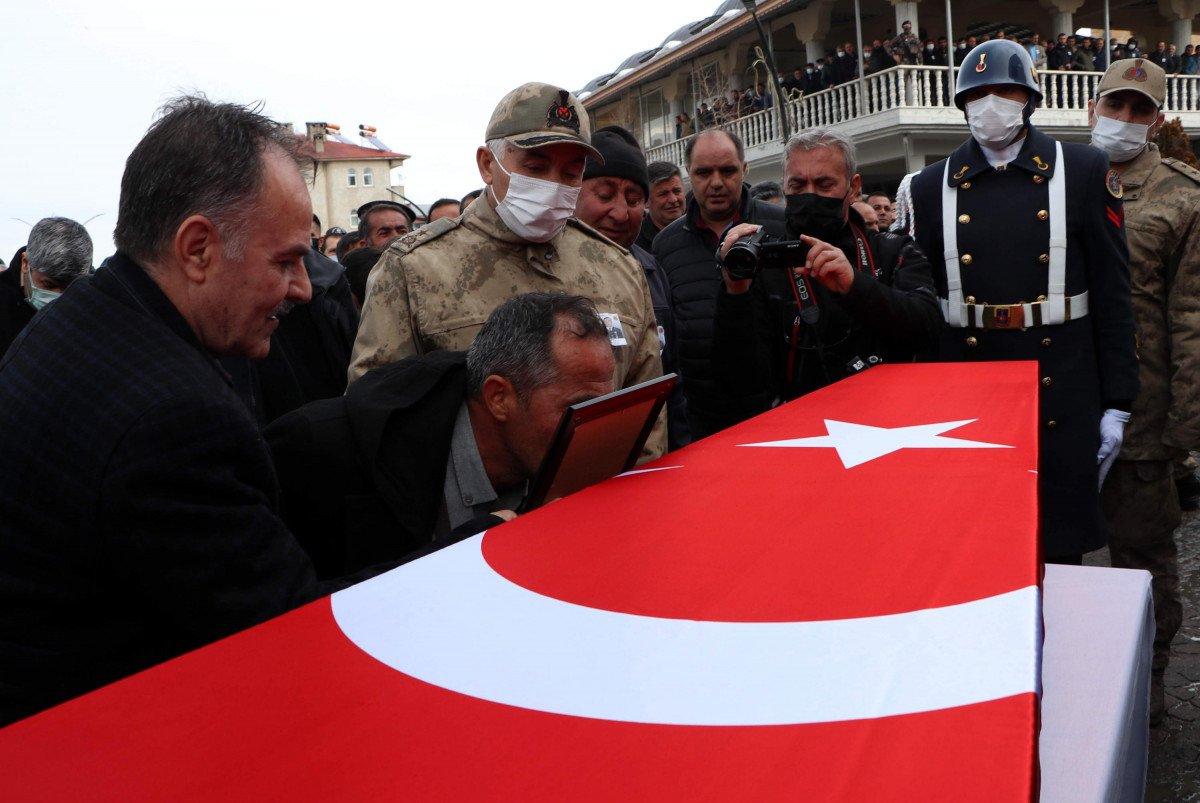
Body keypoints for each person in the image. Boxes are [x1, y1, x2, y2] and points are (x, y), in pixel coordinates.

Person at [0, 96, 400, 727]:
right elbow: (292, 635)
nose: (302, 287)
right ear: (196, 249)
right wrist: (474, 544)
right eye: (287, 260)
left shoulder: (92, 321)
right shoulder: (172, 420)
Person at [908, 40, 1139, 564]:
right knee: (979, 545)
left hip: (1061, 384)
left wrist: (1118, 404)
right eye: (978, 93)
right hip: (970, 386)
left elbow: (1112, 293)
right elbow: (923, 305)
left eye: (1005, 91)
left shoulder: (1081, 170)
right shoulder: (927, 187)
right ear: (962, 103)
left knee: (1057, 549)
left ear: (1029, 99)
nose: (991, 104)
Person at [348, 82, 666, 460]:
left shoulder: (617, 267)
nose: (553, 185)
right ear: (487, 164)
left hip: (601, 500)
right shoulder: (413, 269)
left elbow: (647, 407)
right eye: (535, 167)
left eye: (570, 172)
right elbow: (377, 415)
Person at [266, 293, 615, 578]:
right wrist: (464, 552)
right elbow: (276, 613)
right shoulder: (316, 452)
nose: (595, 427)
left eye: (608, 404)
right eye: (579, 407)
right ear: (499, 398)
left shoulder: (555, 455)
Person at [1088, 57, 1200, 724]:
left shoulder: (1184, 197)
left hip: (1144, 413)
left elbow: (1190, 319)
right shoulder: (1065, 182)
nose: (1124, 120)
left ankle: (1151, 678)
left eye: (1138, 109)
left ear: (1156, 118)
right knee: (1058, 548)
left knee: (1144, 552)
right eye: (1115, 105)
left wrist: (1185, 431)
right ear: (1092, 108)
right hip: (1069, 402)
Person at [712, 130, 939, 409]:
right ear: (784, 186)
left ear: (853, 187)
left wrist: (855, 286)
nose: (810, 195)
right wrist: (735, 292)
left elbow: (927, 328)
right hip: (798, 425)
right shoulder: (763, 263)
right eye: (797, 184)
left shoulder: (891, 251)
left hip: (888, 413)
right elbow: (738, 378)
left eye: (824, 184)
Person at [652, 129, 784, 438]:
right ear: (689, 174)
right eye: (703, 172)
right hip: (698, 419)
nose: (716, 182)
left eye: (727, 171)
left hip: (773, 410)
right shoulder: (665, 245)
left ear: (744, 169)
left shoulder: (781, 225)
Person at [577, 125, 688, 450]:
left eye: (634, 198)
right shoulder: (546, 270)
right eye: (605, 195)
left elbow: (672, 381)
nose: (621, 212)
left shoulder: (651, 271)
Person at [637, 161, 686, 252]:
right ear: (646, 201)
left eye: (676, 191)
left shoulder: (703, 231)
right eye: (663, 194)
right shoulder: (636, 245)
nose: (673, 199)